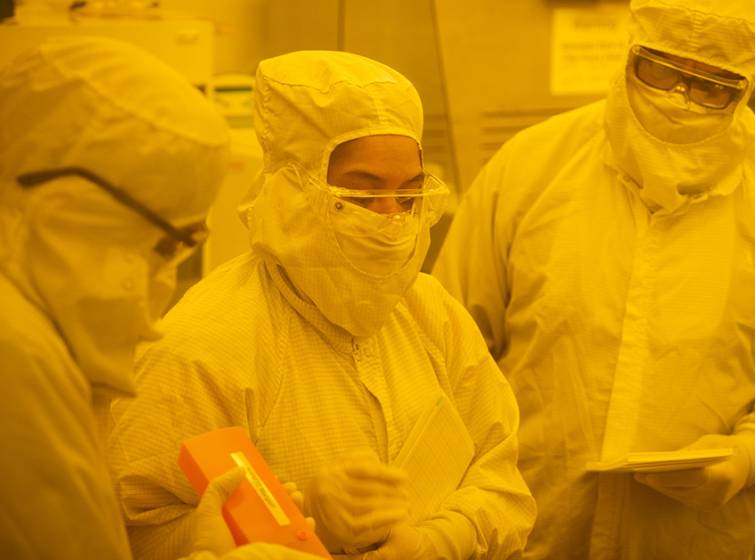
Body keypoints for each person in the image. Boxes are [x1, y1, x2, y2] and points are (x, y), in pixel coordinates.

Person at [432, 0, 755, 558]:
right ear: (629, 56)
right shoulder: (529, 171)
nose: (679, 98)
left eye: (712, 85)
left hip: (689, 540)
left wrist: (754, 452)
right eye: (661, 69)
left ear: (747, 88)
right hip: (525, 527)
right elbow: (444, 351)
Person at [106, 50, 536, 560]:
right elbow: (132, 535)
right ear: (292, 188)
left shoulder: (431, 313)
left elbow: (504, 486)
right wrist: (305, 521)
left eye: (408, 195)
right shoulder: (202, 348)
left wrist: (433, 543)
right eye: (360, 193)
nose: (390, 219)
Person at [0, 36, 319, 560]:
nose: (152, 318)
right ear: (66, 212)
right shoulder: (18, 361)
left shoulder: (38, 330)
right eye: (163, 248)